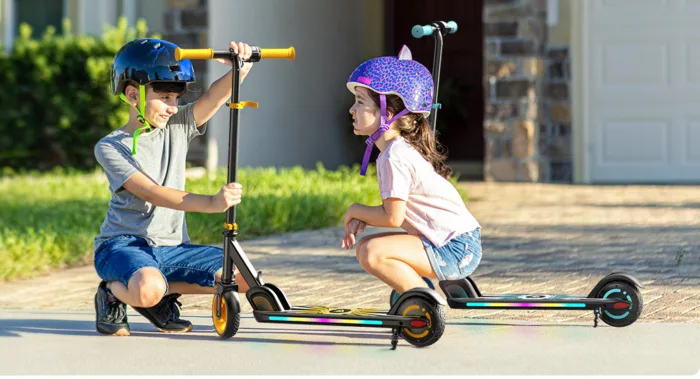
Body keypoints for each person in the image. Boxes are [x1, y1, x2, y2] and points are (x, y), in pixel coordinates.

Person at [93, 38, 254, 336]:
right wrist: (210, 203)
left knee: (244, 278)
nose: (172, 107)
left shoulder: (178, 125)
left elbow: (214, 99)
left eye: (176, 99)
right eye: (165, 98)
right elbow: (152, 193)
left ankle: (159, 294)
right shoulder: (111, 147)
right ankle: (114, 292)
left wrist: (239, 70)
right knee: (147, 289)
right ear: (133, 94)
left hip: (173, 247)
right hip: (124, 246)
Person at [341, 45, 483, 303]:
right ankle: (417, 290)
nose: (352, 109)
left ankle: (423, 303)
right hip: (455, 244)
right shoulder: (394, 151)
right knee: (366, 248)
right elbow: (396, 214)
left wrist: (355, 210)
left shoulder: (395, 155)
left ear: (388, 113)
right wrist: (364, 216)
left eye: (360, 102)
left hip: (455, 249)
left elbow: (393, 217)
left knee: (372, 252)